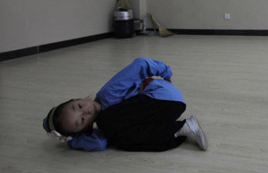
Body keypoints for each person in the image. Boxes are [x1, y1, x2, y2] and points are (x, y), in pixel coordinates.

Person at [43, 57, 208, 151]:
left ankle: (179, 129)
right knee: (120, 140)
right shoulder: (107, 126)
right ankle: (181, 130)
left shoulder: (108, 94)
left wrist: (165, 71)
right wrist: (73, 142)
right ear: (84, 129)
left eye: (78, 107)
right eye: (81, 121)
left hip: (163, 97)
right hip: (165, 111)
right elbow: (100, 143)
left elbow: (140, 65)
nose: (85, 112)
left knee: (108, 124)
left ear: (76, 99)